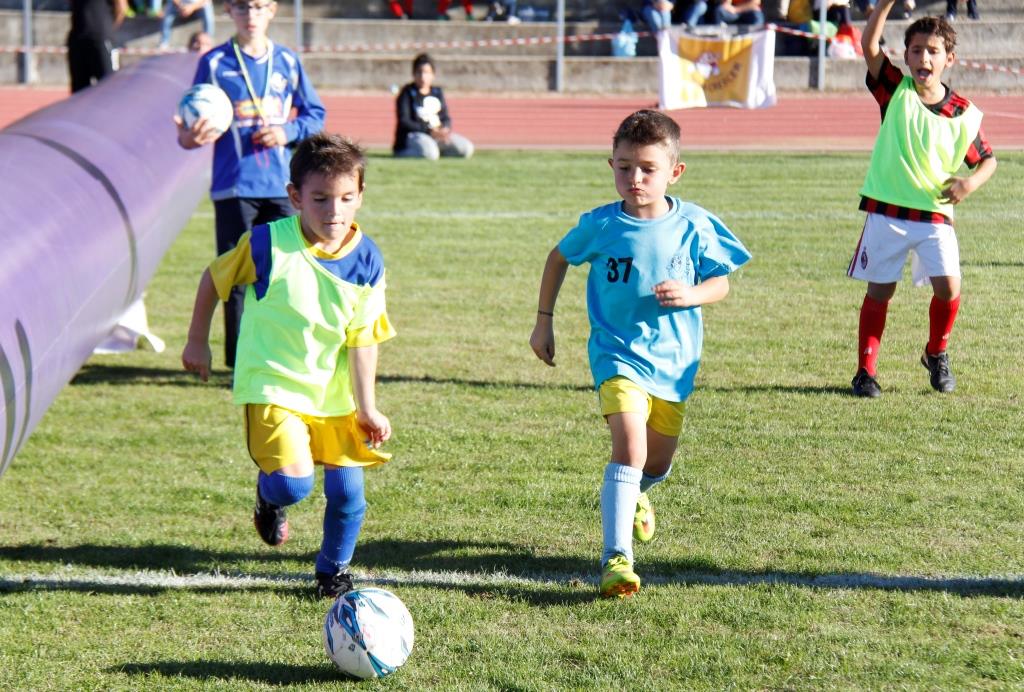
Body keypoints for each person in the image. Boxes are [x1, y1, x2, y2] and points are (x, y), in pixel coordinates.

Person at [529, 110, 751, 598]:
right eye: (624, 167)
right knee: (629, 447)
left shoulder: (693, 224)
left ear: (675, 171)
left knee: (656, 462)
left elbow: (721, 283)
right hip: (616, 355)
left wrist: (693, 294)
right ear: (611, 165)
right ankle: (616, 559)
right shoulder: (602, 225)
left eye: (647, 168)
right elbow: (558, 257)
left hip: (674, 364)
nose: (635, 178)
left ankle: (638, 496)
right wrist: (544, 321)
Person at [181, 133, 396, 598]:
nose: (333, 211)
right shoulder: (267, 244)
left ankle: (331, 573)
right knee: (294, 485)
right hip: (274, 386)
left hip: (332, 394)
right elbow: (213, 279)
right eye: (319, 199)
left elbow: (363, 339)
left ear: (360, 196)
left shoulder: (368, 261)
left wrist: (367, 407)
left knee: (348, 495)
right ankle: (267, 496)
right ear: (295, 196)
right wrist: (197, 340)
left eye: (344, 198)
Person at [848, 7, 996, 398]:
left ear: (949, 59)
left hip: (935, 215)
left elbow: (988, 159)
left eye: (932, 51)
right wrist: (884, 5)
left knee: (949, 288)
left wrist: (969, 184)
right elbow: (868, 44)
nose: (923, 58)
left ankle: (937, 352)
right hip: (887, 211)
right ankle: (865, 371)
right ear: (906, 55)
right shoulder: (895, 90)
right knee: (880, 292)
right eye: (915, 51)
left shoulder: (963, 111)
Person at [175, 0, 326, 369]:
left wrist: (286, 130)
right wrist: (191, 135)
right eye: (243, 7)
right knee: (236, 277)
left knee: (287, 274)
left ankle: (283, 354)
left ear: (272, 10)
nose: (251, 16)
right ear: (229, 11)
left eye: (259, 7)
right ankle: (240, 361)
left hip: (281, 187)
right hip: (235, 188)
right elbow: (187, 130)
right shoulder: (213, 63)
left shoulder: (288, 61)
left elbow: (315, 113)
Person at [393, 53, 474, 160]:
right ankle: (404, 153)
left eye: (426, 72)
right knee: (430, 153)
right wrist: (429, 131)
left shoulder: (437, 92)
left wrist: (445, 128)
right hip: (416, 135)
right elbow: (405, 121)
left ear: (433, 74)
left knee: (465, 148)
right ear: (414, 74)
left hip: (437, 135)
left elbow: (445, 117)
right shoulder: (407, 93)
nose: (422, 76)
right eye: (419, 72)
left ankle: (437, 150)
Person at [67, 0, 129, 93]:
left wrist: (107, 29)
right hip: (78, 38)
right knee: (78, 93)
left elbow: (121, 7)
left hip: (101, 38)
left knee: (109, 87)